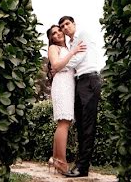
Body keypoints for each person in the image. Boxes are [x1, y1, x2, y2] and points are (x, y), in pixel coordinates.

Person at [58, 15, 103, 178]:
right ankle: (80, 165)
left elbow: (77, 59)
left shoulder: (82, 34)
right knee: (81, 126)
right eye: (62, 26)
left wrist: (59, 65)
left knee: (88, 126)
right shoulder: (70, 44)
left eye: (67, 24)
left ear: (74, 24)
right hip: (79, 82)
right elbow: (73, 60)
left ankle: (82, 167)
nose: (65, 28)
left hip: (90, 79)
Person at [46, 24, 86, 174]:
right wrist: (73, 52)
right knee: (63, 122)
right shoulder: (53, 48)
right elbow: (56, 64)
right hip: (62, 85)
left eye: (58, 31)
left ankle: (55, 159)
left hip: (69, 85)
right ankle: (61, 162)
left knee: (64, 122)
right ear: (51, 38)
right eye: (53, 34)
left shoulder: (69, 47)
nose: (57, 35)